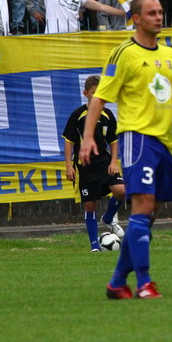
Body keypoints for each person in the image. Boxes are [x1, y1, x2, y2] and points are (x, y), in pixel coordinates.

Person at [80, 0, 172, 300]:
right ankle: (145, 284)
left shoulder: (168, 54)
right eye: (152, 13)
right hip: (137, 139)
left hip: (164, 143)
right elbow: (100, 97)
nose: (159, 17)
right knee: (142, 208)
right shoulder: (123, 53)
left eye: (161, 12)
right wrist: (86, 138)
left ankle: (117, 282)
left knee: (150, 215)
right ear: (136, 18)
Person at [63, 75, 126, 252]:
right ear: (86, 93)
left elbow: (113, 140)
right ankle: (94, 246)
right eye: (93, 93)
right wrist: (68, 165)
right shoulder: (77, 115)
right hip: (85, 167)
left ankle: (107, 218)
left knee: (121, 191)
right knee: (90, 204)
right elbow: (68, 141)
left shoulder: (107, 114)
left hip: (105, 163)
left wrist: (114, 161)